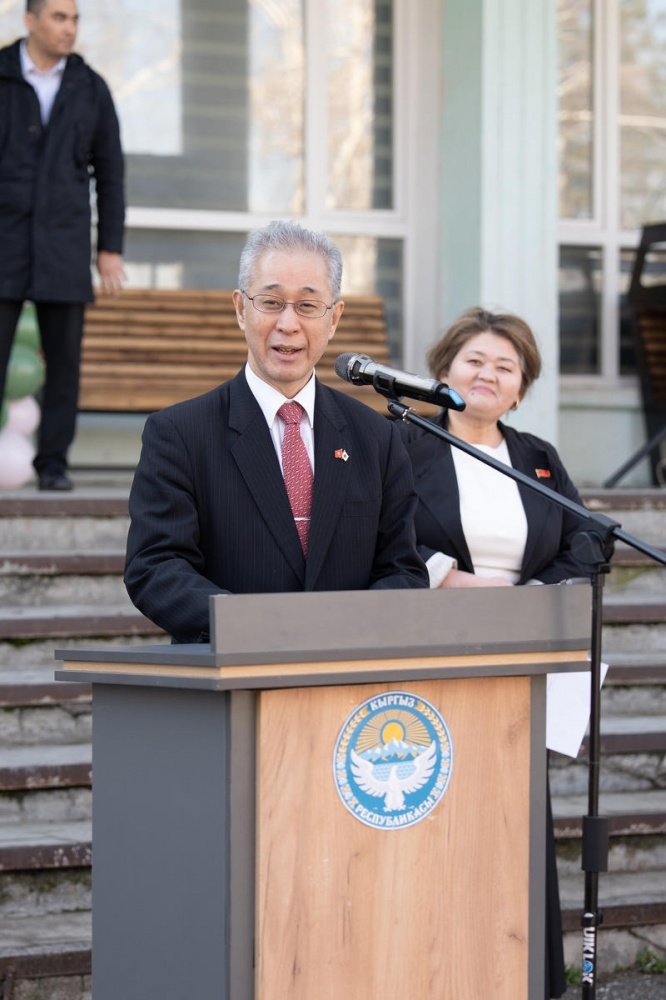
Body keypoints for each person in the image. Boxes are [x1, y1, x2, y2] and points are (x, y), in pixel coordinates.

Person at [399, 306, 592, 1000]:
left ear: (520, 387)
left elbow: (584, 542)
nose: (488, 375)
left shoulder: (539, 456)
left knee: (514, 825)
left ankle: (525, 979)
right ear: (445, 370)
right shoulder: (406, 443)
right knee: (439, 821)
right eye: (474, 360)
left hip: (521, 661)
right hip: (434, 659)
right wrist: (448, 578)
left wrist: (533, 595)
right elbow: (376, 534)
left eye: (505, 367)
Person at [124, 220, 429, 642]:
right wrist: (257, 626)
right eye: (270, 302)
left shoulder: (377, 438)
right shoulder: (178, 434)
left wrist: (345, 628)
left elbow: (403, 571)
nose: (288, 323)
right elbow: (155, 567)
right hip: (234, 664)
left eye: (308, 306)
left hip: (348, 666)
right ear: (240, 308)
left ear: (334, 318)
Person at [0, 0, 126, 491]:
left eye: (74, 19)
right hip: (5, 242)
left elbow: (110, 172)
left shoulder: (90, 88)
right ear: (29, 20)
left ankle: (52, 464)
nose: (69, 28)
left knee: (64, 363)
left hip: (64, 245)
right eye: (58, 17)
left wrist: (108, 247)